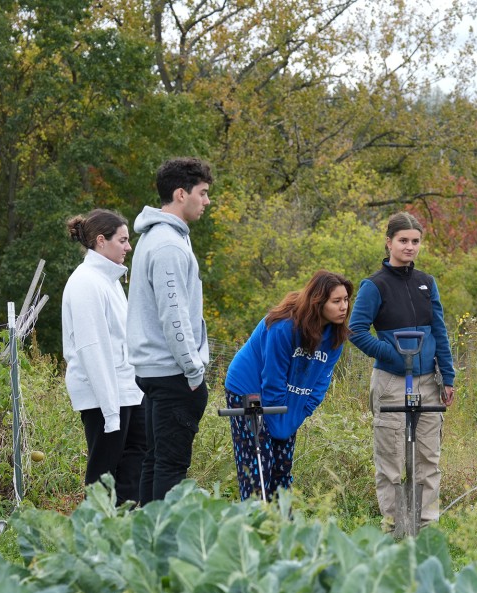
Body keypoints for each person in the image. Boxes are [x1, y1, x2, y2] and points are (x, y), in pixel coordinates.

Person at [349, 212, 456, 531]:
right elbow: (356, 330)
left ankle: (425, 527)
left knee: (427, 459)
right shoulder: (374, 285)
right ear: (389, 242)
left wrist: (447, 377)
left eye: (415, 241)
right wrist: (392, 355)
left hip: (426, 381)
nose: (410, 247)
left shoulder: (426, 282)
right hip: (391, 382)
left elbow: (439, 329)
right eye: (403, 241)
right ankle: (396, 528)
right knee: (391, 460)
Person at [126, 157, 213, 503]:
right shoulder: (167, 245)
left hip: (157, 370)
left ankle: (147, 545)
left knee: (156, 462)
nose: (207, 201)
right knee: (171, 468)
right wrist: (193, 371)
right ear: (181, 194)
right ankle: (164, 549)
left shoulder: (158, 238)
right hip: (172, 372)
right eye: (203, 193)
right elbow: (173, 316)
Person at [224, 270, 353, 500]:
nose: (344, 306)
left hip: (288, 398)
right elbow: (272, 380)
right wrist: (280, 425)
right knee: (258, 469)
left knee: (282, 468)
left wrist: (298, 413)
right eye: (336, 301)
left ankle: (283, 528)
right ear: (318, 302)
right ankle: (255, 526)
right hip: (249, 388)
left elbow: (320, 384)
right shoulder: (285, 326)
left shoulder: (335, 335)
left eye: (345, 300)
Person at [61, 209, 146, 505]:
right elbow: (92, 350)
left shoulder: (109, 281)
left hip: (127, 392)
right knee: (103, 475)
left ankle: (124, 532)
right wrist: (110, 412)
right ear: (101, 241)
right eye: (122, 240)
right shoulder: (86, 283)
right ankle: (93, 538)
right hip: (104, 397)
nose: (128, 247)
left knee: (134, 468)